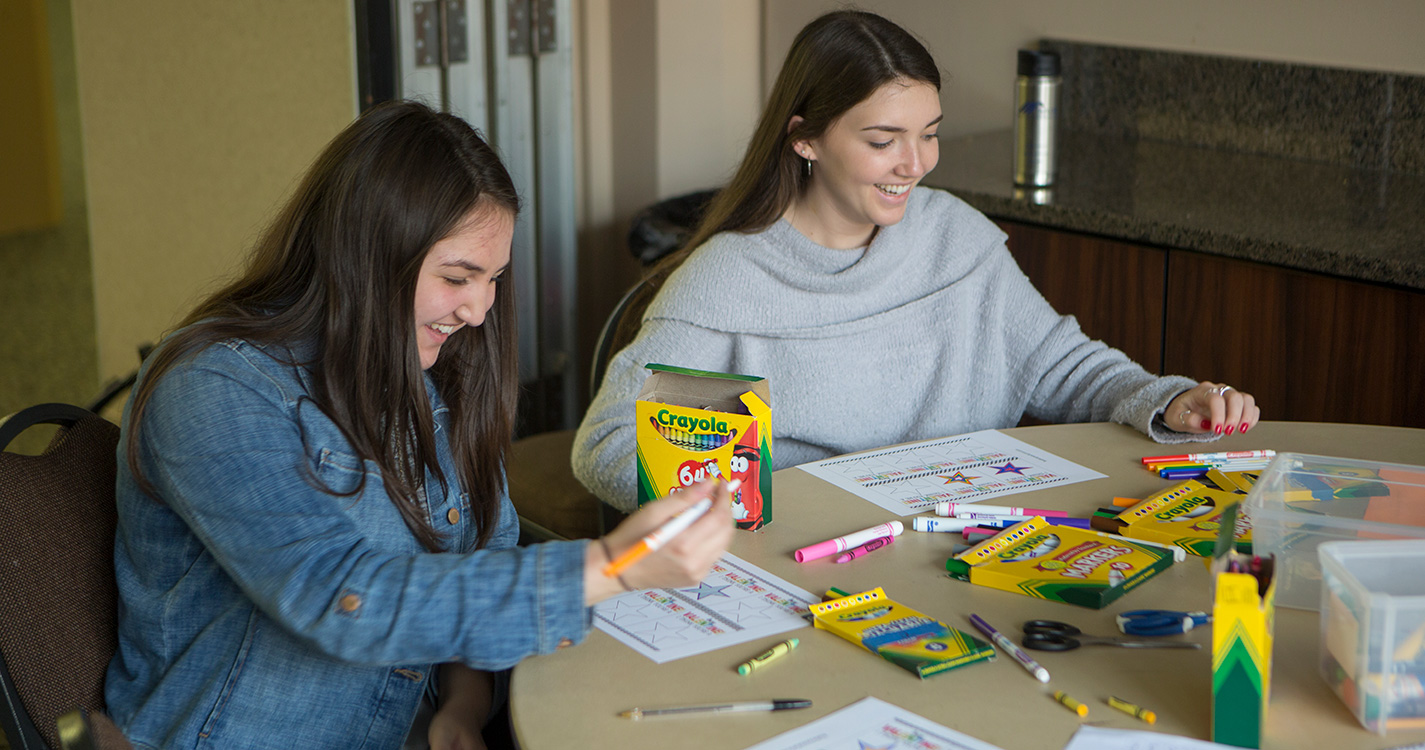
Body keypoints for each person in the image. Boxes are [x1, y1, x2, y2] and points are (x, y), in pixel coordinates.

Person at [105, 100, 734, 750]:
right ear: (364, 259)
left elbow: (479, 553)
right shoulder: (212, 390)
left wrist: (463, 702)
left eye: (493, 278)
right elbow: (344, 597)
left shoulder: (428, 371)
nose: (480, 310)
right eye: (457, 277)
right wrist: (612, 565)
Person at [573, 10, 1260, 514]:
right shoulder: (727, 279)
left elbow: (1059, 366)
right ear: (805, 139)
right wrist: (762, 502)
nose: (915, 164)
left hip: (961, 544)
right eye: (883, 140)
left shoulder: (954, 236)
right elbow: (604, 445)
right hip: (803, 559)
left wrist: (1169, 400)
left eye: (927, 135)